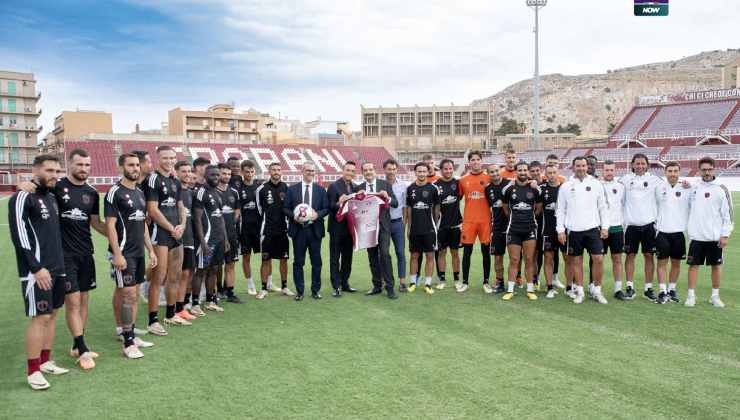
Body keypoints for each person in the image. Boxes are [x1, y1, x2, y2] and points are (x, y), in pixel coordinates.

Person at [16, 149, 107, 369]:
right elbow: (34, 188)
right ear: (70, 165)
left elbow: (95, 222)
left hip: (86, 253)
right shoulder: (56, 186)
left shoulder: (92, 192)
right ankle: (81, 347)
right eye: (79, 165)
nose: (83, 169)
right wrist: (23, 184)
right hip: (63, 256)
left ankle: (77, 344)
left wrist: (115, 236)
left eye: (87, 165)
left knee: (84, 300)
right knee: (72, 302)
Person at [9, 155, 69, 390]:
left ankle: (45, 362)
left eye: (57, 170)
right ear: (35, 170)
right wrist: (36, 267)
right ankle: (33, 370)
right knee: (41, 317)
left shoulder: (52, 197)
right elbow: (19, 235)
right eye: (49, 170)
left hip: (57, 267)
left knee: (53, 314)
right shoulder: (23, 197)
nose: (54, 175)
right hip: (37, 271)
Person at [105, 153, 158, 360]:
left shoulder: (139, 192)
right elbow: (110, 225)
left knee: (134, 295)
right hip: (123, 254)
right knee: (127, 295)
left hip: (138, 253)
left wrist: (151, 250)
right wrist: (117, 254)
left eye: (137, 165)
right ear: (121, 167)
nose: (135, 168)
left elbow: (143, 223)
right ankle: (127, 342)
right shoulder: (114, 192)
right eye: (130, 165)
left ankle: (131, 333)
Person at [145, 145, 187, 334]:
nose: (169, 161)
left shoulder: (174, 181)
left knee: (175, 275)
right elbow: (153, 210)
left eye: (172, 158)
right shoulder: (153, 179)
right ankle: (152, 320)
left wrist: (182, 225)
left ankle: (171, 314)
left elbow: (180, 206)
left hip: (176, 233)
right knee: (158, 277)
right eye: (165, 158)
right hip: (160, 233)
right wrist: (171, 228)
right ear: (157, 159)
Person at [556, 156, 609, 304]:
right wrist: (560, 230)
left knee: (598, 259)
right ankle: (579, 291)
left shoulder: (596, 184)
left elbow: (603, 207)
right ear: (573, 167)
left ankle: (597, 290)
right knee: (576, 261)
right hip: (573, 230)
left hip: (593, 229)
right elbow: (560, 210)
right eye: (578, 166)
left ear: (587, 167)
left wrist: (605, 227)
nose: (581, 168)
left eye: (583, 166)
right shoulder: (566, 186)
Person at [685, 157, 733, 308]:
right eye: (704, 169)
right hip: (697, 236)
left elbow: (728, 214)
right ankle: (691, 296)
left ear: (714, 169)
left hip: (714, 237)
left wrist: (725, 234)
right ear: (699, 170)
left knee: (716, 266)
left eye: (709, 169)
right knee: (693, 266)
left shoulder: (722, 188)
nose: (706, 172)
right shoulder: (694, 187)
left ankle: (715, 296)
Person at [619, 153, 662, 301]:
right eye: (637, 163)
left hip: (649, 225)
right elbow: (618, 200)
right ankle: (630, 287)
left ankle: (648, 288)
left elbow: (665, 193)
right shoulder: (624, 180)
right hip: (631, 226)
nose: (640, 166)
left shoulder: (655, 180)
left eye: (643, 163)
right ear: (632, 165)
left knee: (649, 256)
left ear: (647, 165)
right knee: (630, 255)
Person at [283, 162, 329, 300]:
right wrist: (294, 217)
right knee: (298, 262)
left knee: (316, 262)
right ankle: (300, 291)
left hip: (315, 231)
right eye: (308, 170)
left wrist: (317, 215)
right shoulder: (292, 189)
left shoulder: (321, 190)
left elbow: (326, 208)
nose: (310, 173)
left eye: (313, 171)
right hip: (299, 231)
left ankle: (315, 290)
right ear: (302, 171)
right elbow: (285, 208)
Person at [501, 161, 541, 301]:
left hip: (530, 229)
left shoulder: (534, 188)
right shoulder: (509, 188)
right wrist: (515, 218)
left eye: (525, 170)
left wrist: (529, 219)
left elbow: (539, 207)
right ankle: (510, 290)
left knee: (529, 259)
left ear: (528, 171)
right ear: (516, 171)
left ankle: (530, 289)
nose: (522, 172)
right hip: (513, 229)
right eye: (520, 170)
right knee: (514, 260)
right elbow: (505, 208)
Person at [358, 162, 399, 299]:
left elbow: (395, 203)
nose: (368, 172)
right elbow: (355, 209)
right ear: (363, 173)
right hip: (367, 228)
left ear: (374, 170)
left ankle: (390, 287)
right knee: (372, 256)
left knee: (385, 254)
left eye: (370, 169)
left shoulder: (385, 185)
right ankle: (377, 286)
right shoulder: (359, 188)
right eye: (365, 170)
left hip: (383, 227)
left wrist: (387, 196)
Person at [192, 165, 228, 312]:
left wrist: (225, 239)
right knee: (201, 270)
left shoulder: (217, 193)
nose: (216, 178)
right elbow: (197, 218)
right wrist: (202, 242)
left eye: (217, 175)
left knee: (214, 269)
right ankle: (194, 304)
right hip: (207, 240)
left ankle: (210, 300)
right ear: (206, 176)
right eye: (212, 175)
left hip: (219, 239)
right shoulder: (201, 191)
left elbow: (220, 218)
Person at [255, 162, 294, 299]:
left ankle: (284, 287)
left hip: (283, 230)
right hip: (267, 231)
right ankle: (264, 288)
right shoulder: (262, 189)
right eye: (273, 170)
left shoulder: (287, 188)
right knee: (266, 260)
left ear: (281, 172)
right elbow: (259, 210)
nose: (276, 172)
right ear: (269, 171)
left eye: (278, 169)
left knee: (284, 260)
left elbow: (290, 207)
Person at [654, 161, 691, 304]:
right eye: (670, 171)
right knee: (662, 263)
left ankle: (672, 290)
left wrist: (690, 185)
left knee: (676, 264)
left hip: (678, 233)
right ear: (665, 172)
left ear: (679, 172)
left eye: (675, 171)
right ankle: (663, 291)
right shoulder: (659, 188)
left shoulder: (686, 187)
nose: (673, 174)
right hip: (662, 232)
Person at [458, 151, 492, 293]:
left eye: (478, 159)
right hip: (469, 222)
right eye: (473, 160)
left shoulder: (489, 178)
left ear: (481, 161)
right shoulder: (462, 180)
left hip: (485, 221)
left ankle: (486, 282)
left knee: (486, 252)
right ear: (469, 162)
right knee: (467, 252)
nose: (476, 162)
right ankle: (465, 282)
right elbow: (456, 201)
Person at [405, 162, 441, 294]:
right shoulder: (410, 188)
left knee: (430, 255)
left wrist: (435, 225)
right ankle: (413, 282)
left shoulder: (433, 188)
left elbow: (437, 208)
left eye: (424, 171)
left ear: (427, 172)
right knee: (414, 255)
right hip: (415, 229)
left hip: (429, 229)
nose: (421, 174)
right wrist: (409, 227)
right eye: (419, 171)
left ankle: (428, 284)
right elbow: (409, 208)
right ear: (415, 172)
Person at [327, 161, 359, 297]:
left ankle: (345, 283)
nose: (350, 173)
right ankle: (336, 286)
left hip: (349, 228)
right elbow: (329, 206)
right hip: (336, 228)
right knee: (335, 258)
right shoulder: (333, 186)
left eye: (352, 171)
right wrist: (340, 202)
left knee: (348, 258)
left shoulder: (355, 187)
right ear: (343, 170)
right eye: (348, 170)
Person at [174, 161, 198, 320]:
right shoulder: (174, 191)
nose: (187, 174)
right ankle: (176, 308)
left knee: (188, 273)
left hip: (190, 238)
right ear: (176, 172)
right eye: (184, 171)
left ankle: (181, 306)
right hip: (176, 240)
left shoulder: (190, 192)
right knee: (179, 274)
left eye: (189, 171)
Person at [539, 164, 567, 299]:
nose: (551, 175)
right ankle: (550, 287)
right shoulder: (541, 188)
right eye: (549, 173)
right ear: (545, 174)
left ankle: (569, 287)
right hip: (548, 230)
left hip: (564, 230)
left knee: (569, 259)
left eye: (554, 172)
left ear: (558, 173)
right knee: (548, 258)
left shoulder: (565, 188)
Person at [601, 161, 627, 300]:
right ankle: (596, 286)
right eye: (607, 170)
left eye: (611, 170)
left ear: (615, 171)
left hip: (617, 229)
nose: (609, 172)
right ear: (602, 171)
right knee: (598, 259)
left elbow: (624, 205)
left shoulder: (621, 187)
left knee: (617, 259)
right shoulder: (597, 186)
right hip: (601, 229)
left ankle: (618, 289)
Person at [434, 159, 462, 290]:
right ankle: (442, 279)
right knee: (442, 253)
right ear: (441, 170)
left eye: (451, 168)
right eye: (446, 169)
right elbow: (435, 207)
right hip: (441, 226)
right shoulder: (435, 185)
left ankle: (457, 279)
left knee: (455, 253)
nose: (448, 171)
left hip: (456, 225)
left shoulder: (458, 183)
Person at [217, 163, 242, 303]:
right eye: (223, 173)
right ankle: (217, 290)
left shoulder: (234, 192)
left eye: (228, 174)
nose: (226, 176)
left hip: (231, 234)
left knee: (230, 263)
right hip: (216, 235)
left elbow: (237, 210)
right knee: (216, 265)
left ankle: (230, 292)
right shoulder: (212, 191)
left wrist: (232, 221)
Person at [485, 163, 512, 293]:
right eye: (492, 172)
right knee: (497, 257)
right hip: (497, 227)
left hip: (512, 227)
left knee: (514, 257)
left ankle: (515, 279)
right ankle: (499, 282)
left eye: (496, 171)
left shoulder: (510, 184)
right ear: (488, 173)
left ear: (500, 171)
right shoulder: (488, 188)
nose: (495, 174)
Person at [383, 159, 409, 292]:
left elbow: (404, 205)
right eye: (389, 169)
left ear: (396, 170)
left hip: (398, 223)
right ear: (384, 170)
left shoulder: (403, 185)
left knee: (400, 253)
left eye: (394, 169)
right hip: (383, 225)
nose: (392, 171)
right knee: (384, 253)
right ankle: (384, 281)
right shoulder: (380, 184)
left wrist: (403, 223)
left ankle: (402, 282)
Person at [238, 159, 261, 296]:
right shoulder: (238, 189)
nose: (250, 174)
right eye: (247, 172)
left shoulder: (259, 187)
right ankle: (250, 284)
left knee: (266, 256)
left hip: (258, 228)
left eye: (252, 171)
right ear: (242, 172)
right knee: (246, 257)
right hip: (245, 229)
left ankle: (268, 282)